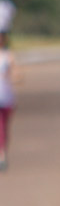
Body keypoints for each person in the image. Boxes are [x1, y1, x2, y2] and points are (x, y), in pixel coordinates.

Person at [0, 31, 15, 171]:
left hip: (6, 97)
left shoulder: (8, 56)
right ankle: (2, 156)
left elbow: (16, 74)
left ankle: (3, 153)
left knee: (4, 128)